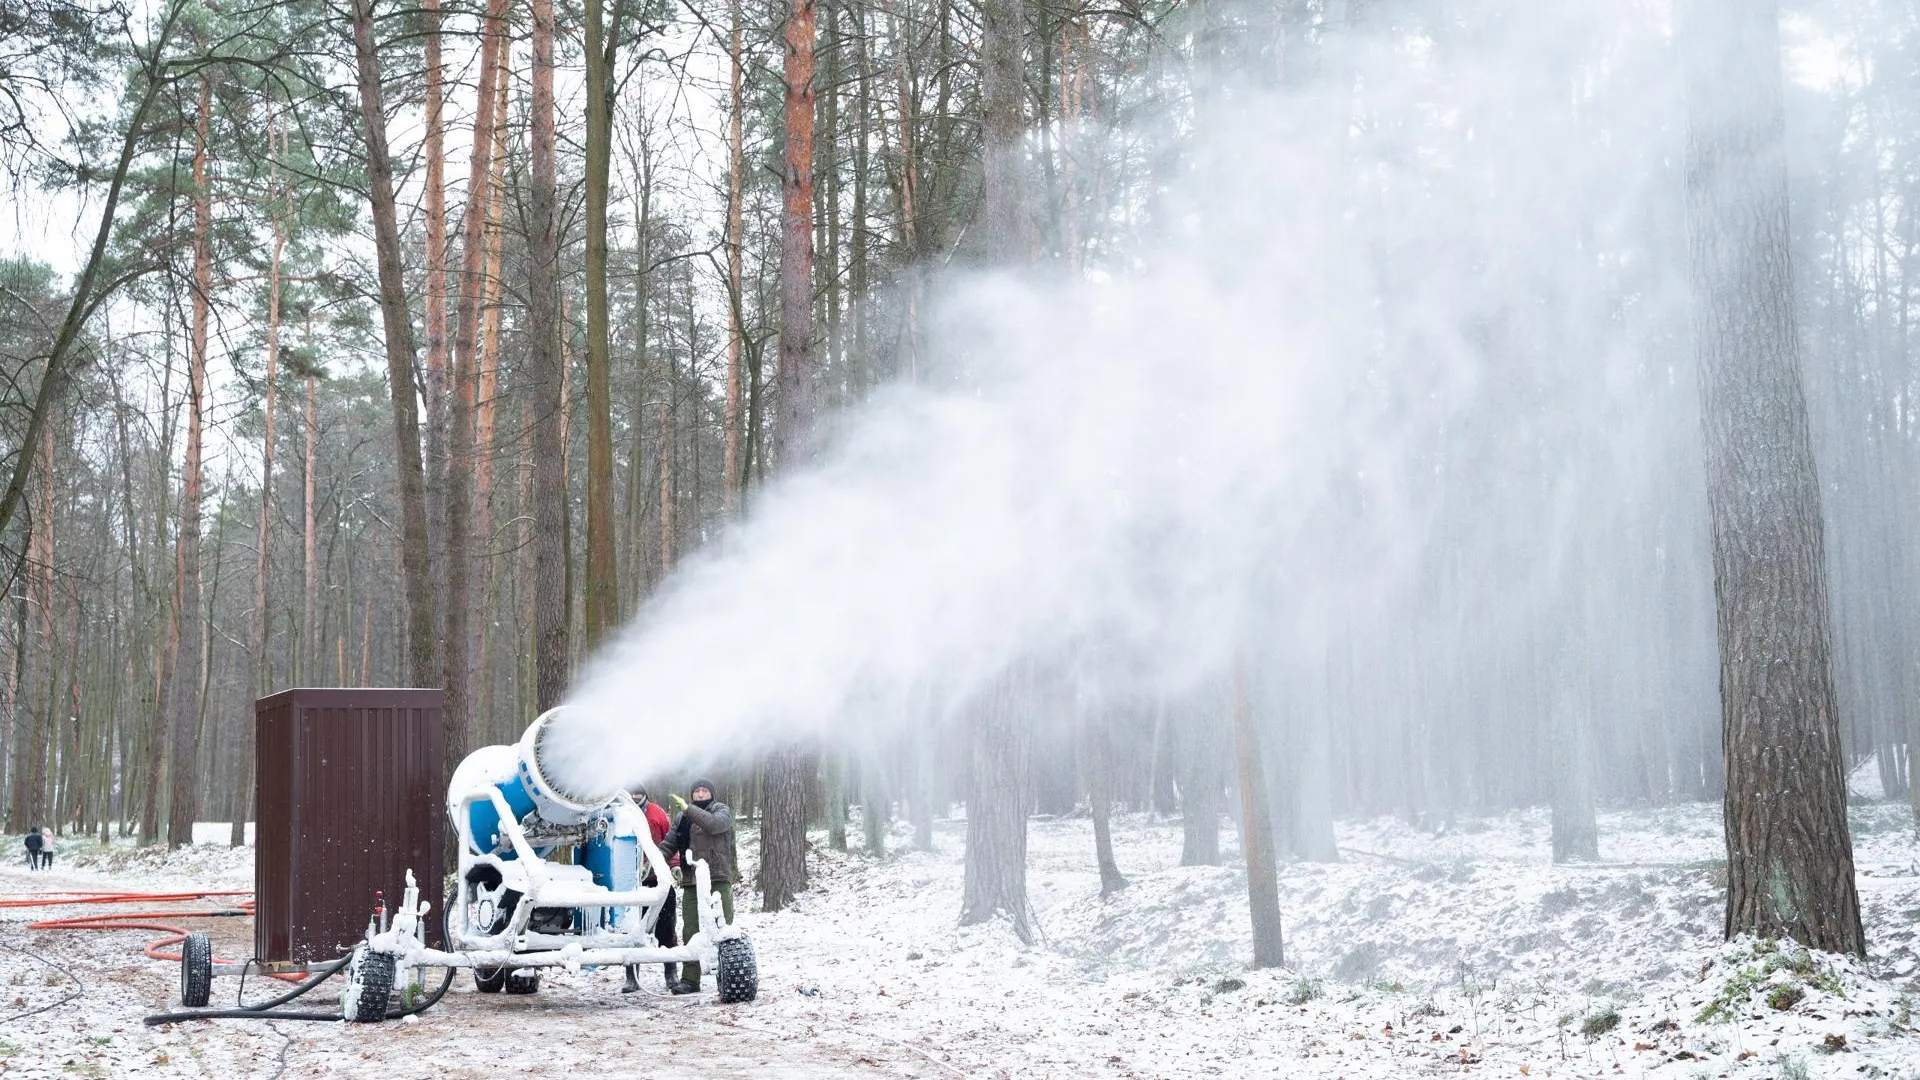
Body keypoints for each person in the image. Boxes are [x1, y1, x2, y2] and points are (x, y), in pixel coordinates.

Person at [658, 778, 736, 995]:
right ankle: (690, 979)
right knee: (690, 930)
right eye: (696, 791)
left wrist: (688, 809)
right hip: (691, 880)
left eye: (704, 791)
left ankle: (729, 977)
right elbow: (669, 844)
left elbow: (713, 825)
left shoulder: (721, 810)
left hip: (718, 878)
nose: (700, 794)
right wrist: (652, 862)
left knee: (724, 929)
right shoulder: (682, 818)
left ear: (711, 793)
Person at [622, 786, 679, 993]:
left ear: (645, 794)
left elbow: (670, 841)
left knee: (666, 927)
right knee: (632, 929)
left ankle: (671, 972)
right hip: (630, 883)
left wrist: (674, 866)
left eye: (638, 793)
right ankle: (632, 976)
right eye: (632, 794)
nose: (635, 797)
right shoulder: (620, 813)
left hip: (658, 879)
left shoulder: (657, 813)